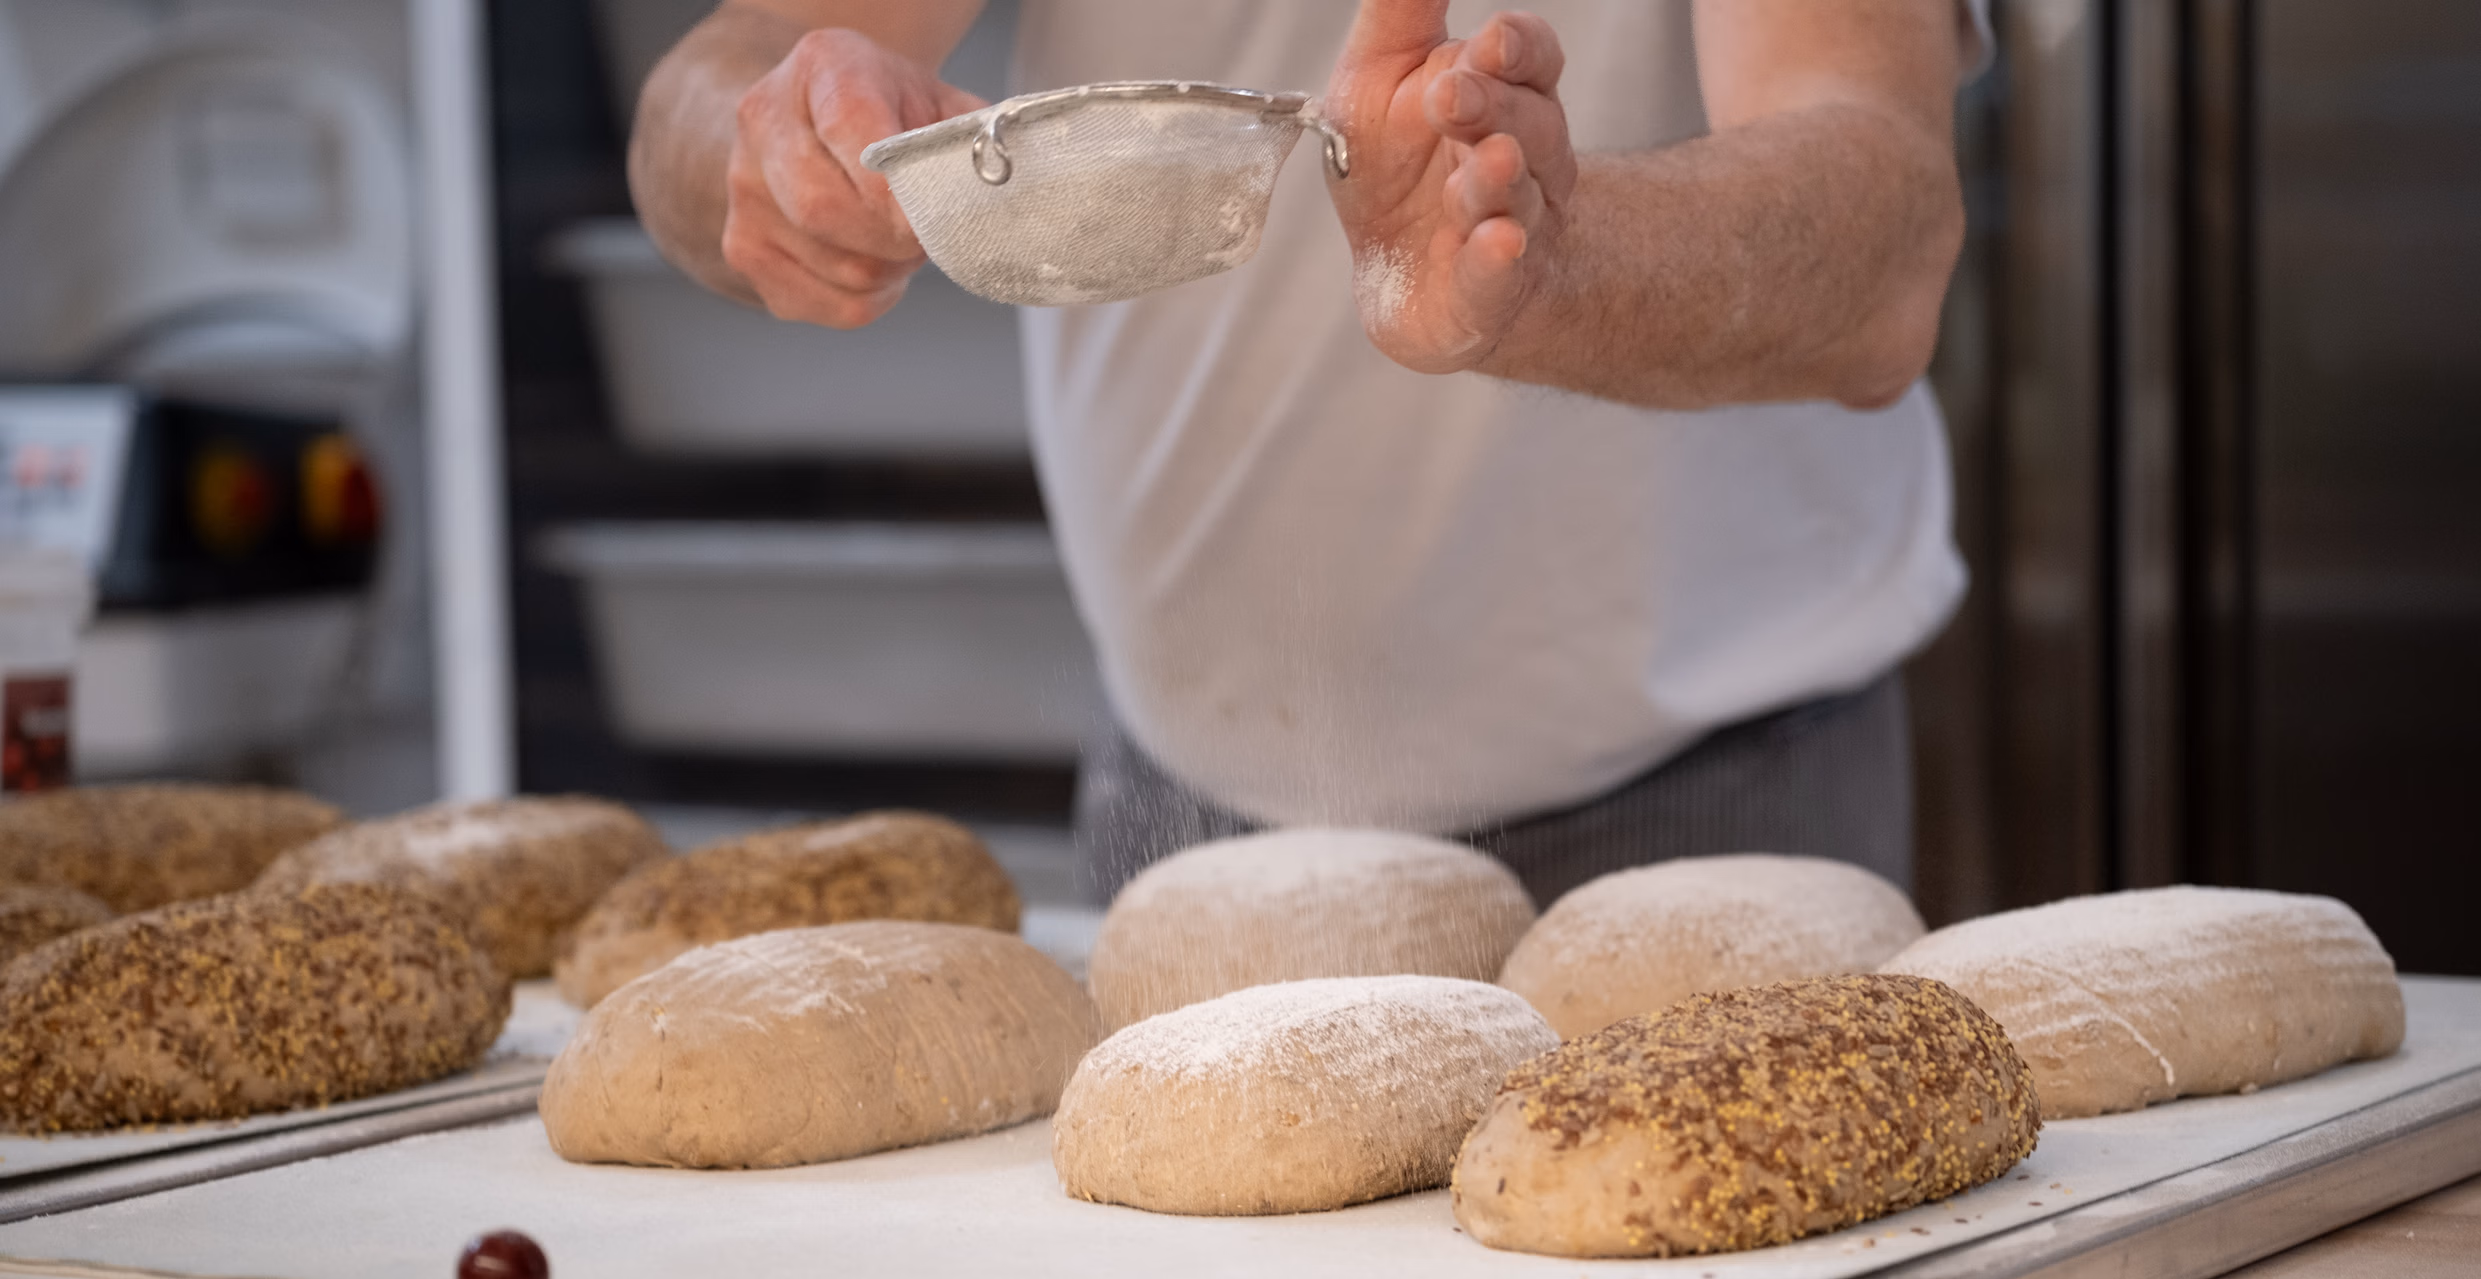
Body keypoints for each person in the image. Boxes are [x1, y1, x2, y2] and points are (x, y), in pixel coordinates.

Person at [630, 0, 1988, 903]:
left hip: (1705, 813)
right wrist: (766, 151)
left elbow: (1886, 240)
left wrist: (1552, 261)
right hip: (1180, 809)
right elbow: (711, 81)